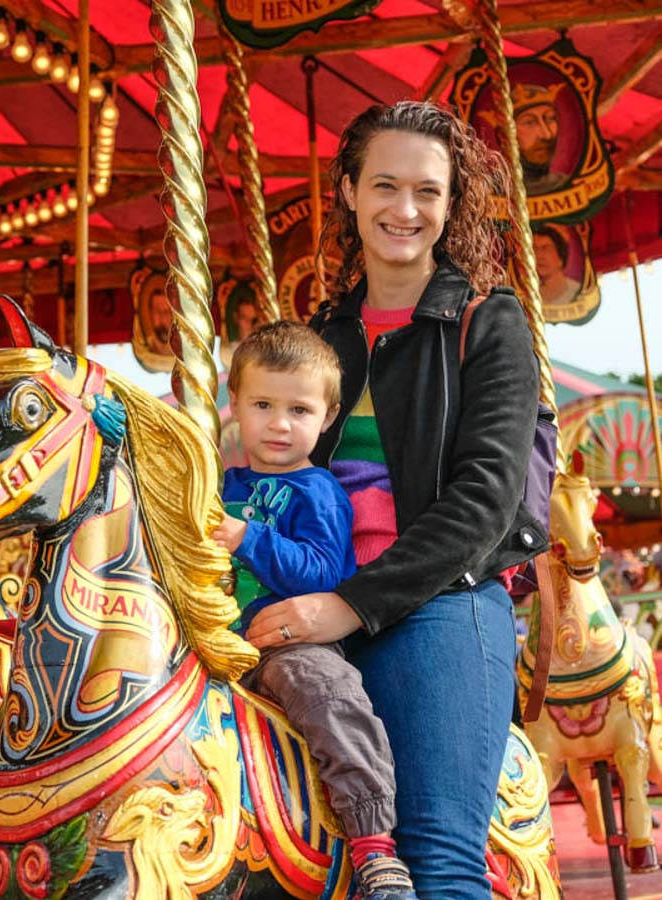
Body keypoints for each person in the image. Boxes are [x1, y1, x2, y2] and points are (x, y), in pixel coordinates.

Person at [244, 101, 548, 898]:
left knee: (438, 860)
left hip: (440, 601)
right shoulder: (324, 337)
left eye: (427, 192)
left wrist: (348, 604)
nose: (404, 210)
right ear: (348, 191)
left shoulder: (487, 326)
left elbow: (483, 501)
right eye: (384, 185)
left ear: (451, 207)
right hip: (310, 596)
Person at [213, 320, 418, 900]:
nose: (279, 423)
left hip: (291, 642)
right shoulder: (222, 485)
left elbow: (325, 574)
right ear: (234, 405)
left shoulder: (317, 491)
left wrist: (245, 537)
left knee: (325, 692)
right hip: (222, 646)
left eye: (299, 410)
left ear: (327, 418)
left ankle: (374, 843)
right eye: (262, 404)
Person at [511, 82, 568, 195]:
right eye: (529, 122)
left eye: (551, 119)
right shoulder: (492, 191)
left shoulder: (566, 184)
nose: (546, 135)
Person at [533, 226, 580, 306]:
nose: (539, 255)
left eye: (546, 248)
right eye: (535, 249)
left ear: (561, 258)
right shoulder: (530, 294)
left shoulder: (576, 291)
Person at [147, 287, 173, 354]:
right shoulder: (147, 345)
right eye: (158, 311)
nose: (163, 317)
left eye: (167, 311)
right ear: (150, 313)